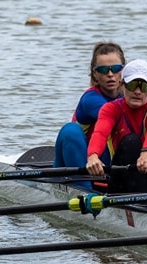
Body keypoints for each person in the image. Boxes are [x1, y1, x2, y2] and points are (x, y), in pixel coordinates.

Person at [85, 59, 147, 193]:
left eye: (143, 86)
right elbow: (100, 134)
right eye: (132, 85)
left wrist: (146, 152)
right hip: (121, 179)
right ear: (121, 85)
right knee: (131, 142)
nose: (137, 91)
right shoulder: (110, 109)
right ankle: (138, 207)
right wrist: (93, 156)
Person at [53, 41, 126, 170]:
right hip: (81, 162)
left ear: (123, 70)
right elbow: (115, 116)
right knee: (70, 130)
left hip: (106, 163)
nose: (110, 74)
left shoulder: (133, 95)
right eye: (103, 70)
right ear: (95, 74)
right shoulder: (90, 99)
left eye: (115, 69)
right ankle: (84, 187)